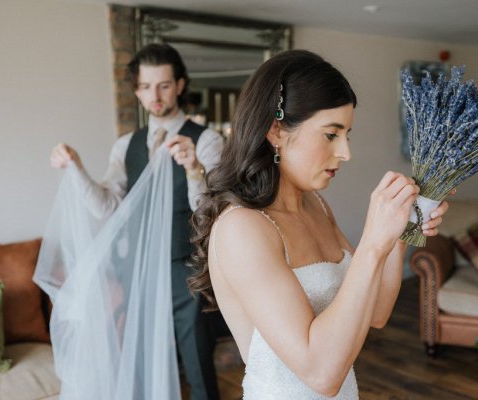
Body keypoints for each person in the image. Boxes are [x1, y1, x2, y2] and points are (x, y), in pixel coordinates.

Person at [188, 49, 450, 399]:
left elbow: (376, 312)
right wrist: (372, 242)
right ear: (276, 130)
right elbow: (321, 373)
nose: (346, 152)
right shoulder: (242, 228)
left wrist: (400, 229)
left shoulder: (317, 206)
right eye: (331, 134)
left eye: (347, 134)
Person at [50, 43, 223, 400]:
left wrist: (193, 170)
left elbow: (210, 212)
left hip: (187, 270)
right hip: (138, 269)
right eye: (145, 87)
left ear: (179, 85)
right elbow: (108, 206)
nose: (154, 95)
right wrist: (77, 168)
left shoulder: (206, 140)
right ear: (137, 91)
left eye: (163, 85)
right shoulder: (126, 145)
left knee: (198, 364)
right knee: (141, 363)